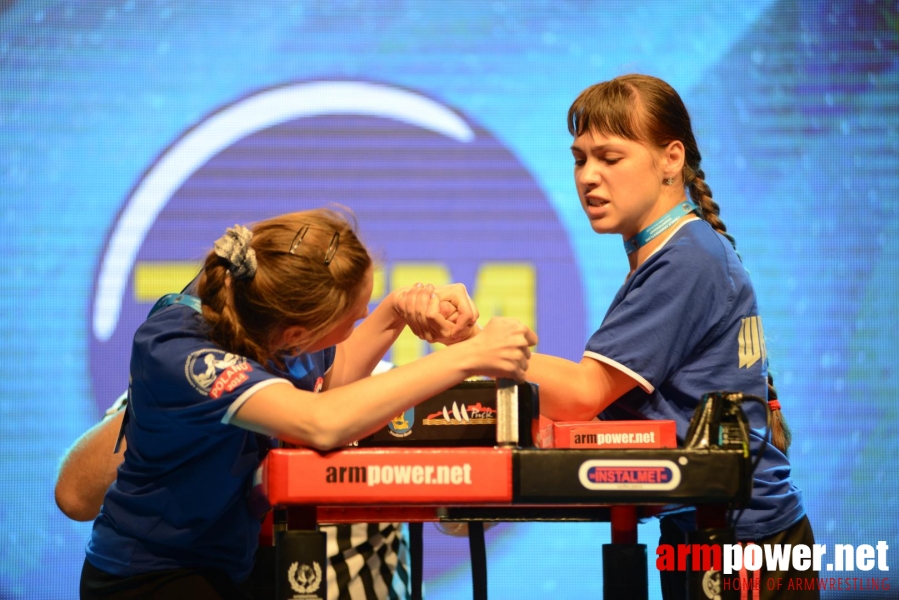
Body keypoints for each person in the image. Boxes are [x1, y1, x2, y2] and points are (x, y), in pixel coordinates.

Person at [75, 207, 537, 599]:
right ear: (299, 334)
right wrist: (471, 355)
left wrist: (398, 310)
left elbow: (333, 380)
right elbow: (321, 421)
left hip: (225, 564)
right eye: (357, 317)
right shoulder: (182, 352)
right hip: (147, 577)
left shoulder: (270, 319)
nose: (363, 321)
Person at [510, 74, 816, 599]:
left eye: (610, 157)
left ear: (671, 159)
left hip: (743, 545)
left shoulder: (687, 259)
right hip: (705, 532)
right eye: (580, 158)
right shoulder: (680, 252)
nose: (588, 177)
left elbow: (585, 393)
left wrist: (475, 345)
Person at [56, 387, 413, 600]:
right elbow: (74, 497)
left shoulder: (385, 389)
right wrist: (180, 392)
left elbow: (459, 521)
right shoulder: (193, 375)